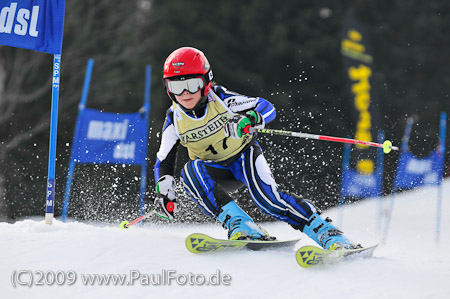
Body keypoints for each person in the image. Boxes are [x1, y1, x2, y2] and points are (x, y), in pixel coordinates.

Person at [153, 46, 360, 250]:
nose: (185, 93)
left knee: (268, 201)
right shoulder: (174, 119)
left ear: (206, 81)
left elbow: (266, 107)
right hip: (217, 172)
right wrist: (164, 190)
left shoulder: (223, 100)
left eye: (192, 84)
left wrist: (249, 119)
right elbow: (164, 160)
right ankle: (242, 225)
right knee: (190, 172)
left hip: (244, 158)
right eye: (176, 87)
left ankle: (326, 232)